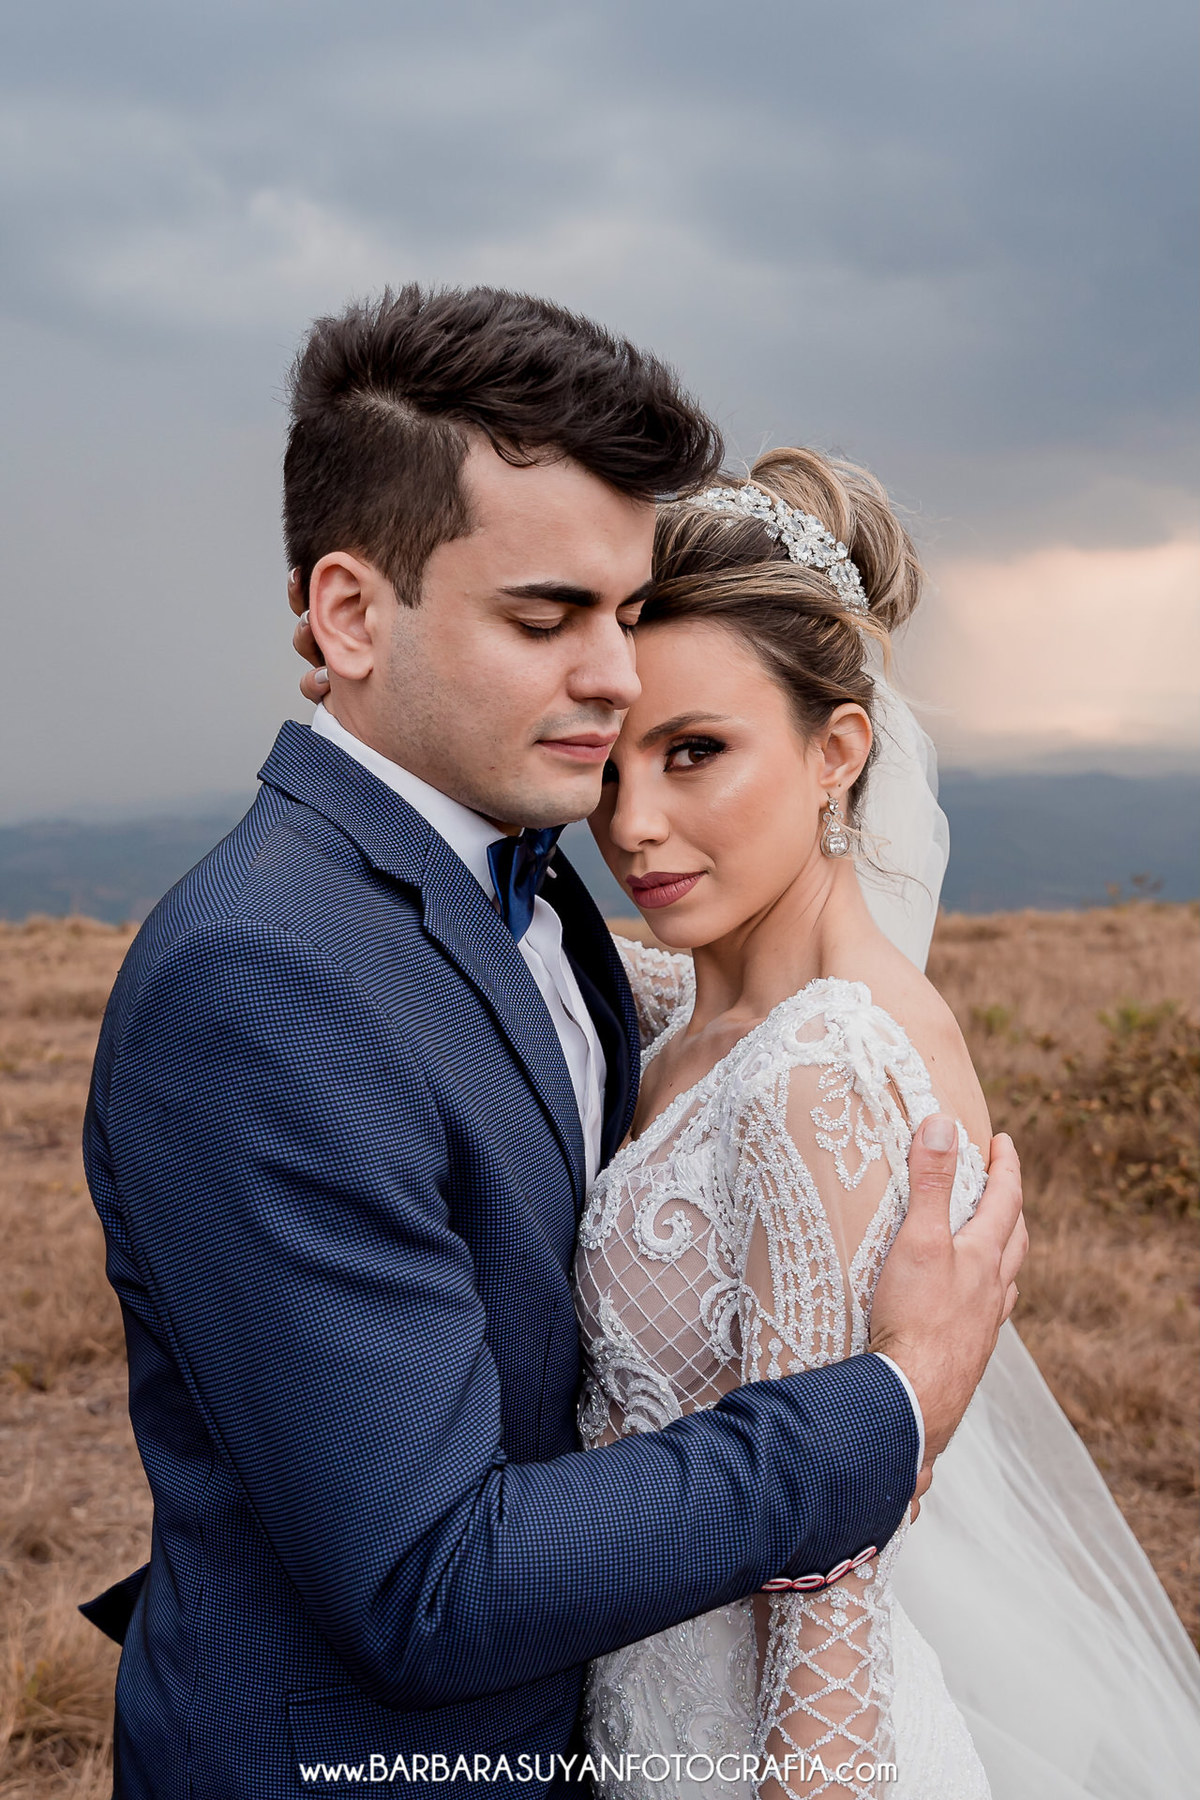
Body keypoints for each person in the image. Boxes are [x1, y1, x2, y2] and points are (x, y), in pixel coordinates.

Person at [81, 288, 1024, 1798]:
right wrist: (892, 1400)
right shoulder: (262, 978)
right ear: (348, 615)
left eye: (627, 615)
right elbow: (426, 1577)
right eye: (547, 619)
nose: (614, 677)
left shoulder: (548, 894)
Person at [572, 449, 1200, 1798]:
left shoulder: (828, 1069)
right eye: (608, 765)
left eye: (695, 753)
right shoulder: (698, 1014)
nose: (633, 825)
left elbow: (826, 1584)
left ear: (838, 751)